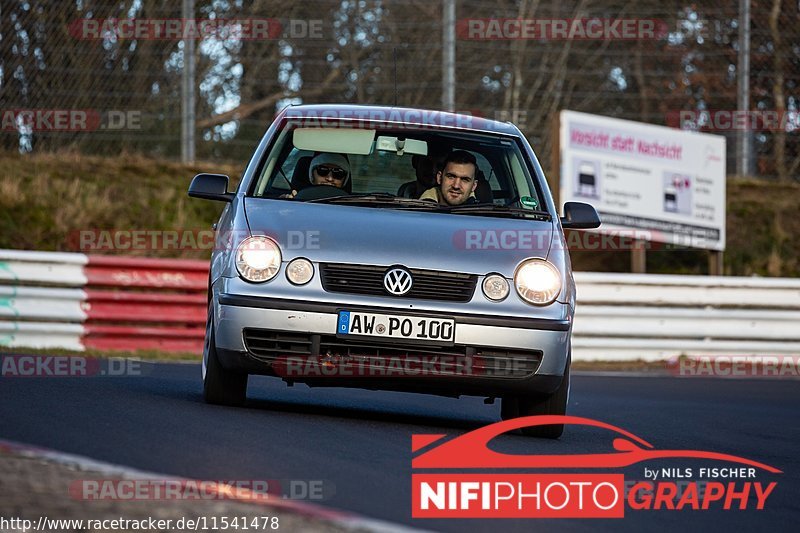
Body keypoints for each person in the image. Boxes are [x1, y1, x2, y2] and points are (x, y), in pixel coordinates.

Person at [283, 152, 351, 198]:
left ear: (345, 179)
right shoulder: (296, 201)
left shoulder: (354, 207)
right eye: (323, 170)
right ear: (312, 175)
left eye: (338, 173)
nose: (330, 178)